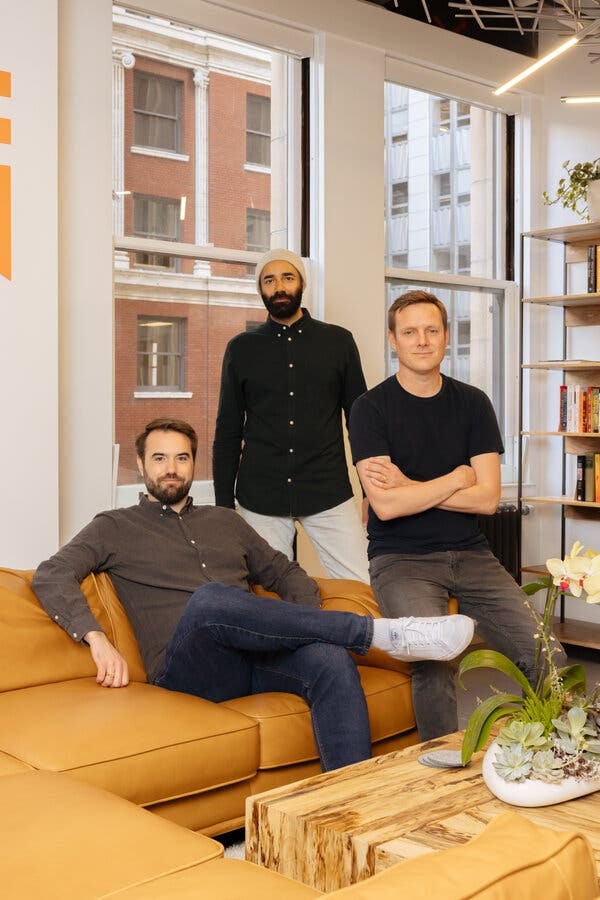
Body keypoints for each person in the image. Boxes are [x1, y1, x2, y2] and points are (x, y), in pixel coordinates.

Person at [32, 417, 474, 772]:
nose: (171, 467)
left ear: (194, 465)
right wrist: (96, 638)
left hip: (254, 660)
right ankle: (381, 633)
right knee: (210, 599)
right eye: (160, 458)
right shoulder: (114, 526)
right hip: (188, 671)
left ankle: (349, 799)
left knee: (330, 660)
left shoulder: (226, 522)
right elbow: (52, 574)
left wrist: (308, 630)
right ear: (141, 465)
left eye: (182, 458)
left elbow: (286, 573)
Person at [349, 290, 567, 741]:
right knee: (431, 660)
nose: (422, 341)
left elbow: (487, 499)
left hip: (472, 554)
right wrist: (454, 479)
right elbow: (385, 507)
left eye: (432, 330)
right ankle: (437, 773)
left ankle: (552, 753)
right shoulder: (370, 409)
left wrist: (410, 485)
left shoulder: (473, 403)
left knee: (549, 655)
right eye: (410, 332)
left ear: (447, 337)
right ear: (393, 340)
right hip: (401, 560)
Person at [212, 248, 369, 582]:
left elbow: (360, 422)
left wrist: (372, 492)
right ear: (261, 290)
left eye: (287, 277)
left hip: (328, 491)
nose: (279, 286)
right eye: (269, 280)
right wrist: (224, 507)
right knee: (266, 597)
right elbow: (227, 431)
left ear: (301, 283)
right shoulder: (240, 349)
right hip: (260, 498)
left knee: (362, 585)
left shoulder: (339, 342)